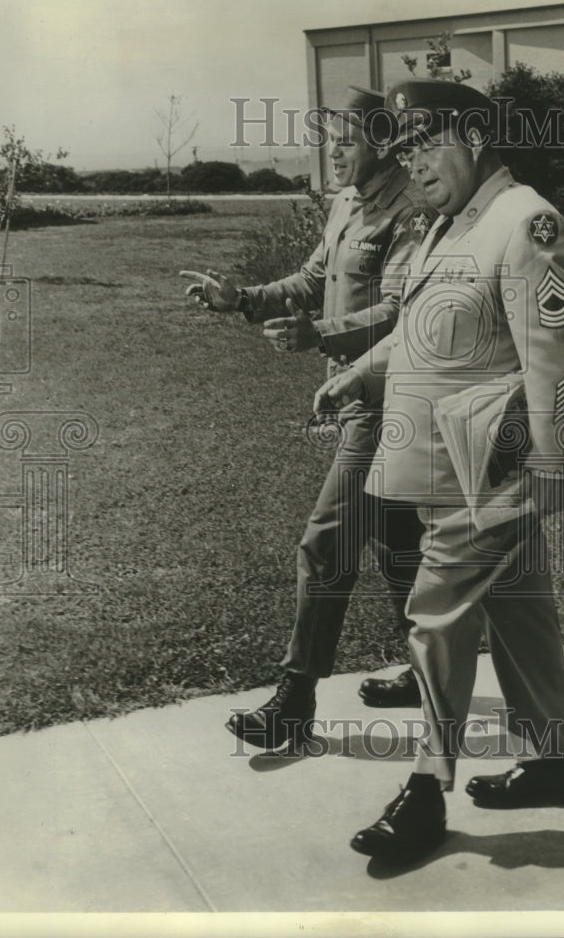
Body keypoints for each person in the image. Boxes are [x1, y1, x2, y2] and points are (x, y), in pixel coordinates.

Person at [314, 78, 564, 863]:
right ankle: (553, 763)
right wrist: (359, 373)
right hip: (445, 464)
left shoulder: (526, 222)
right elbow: (417, 331)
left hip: (493, 469)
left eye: (424, 142)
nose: (410, 161)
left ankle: (425, 789)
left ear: (473, 137)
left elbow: (558, 361)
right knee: (518, 609)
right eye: (399, 147)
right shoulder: (448, 224)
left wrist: (547, 472)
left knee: (434, 611)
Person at [180, 86, 438, 750]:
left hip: (389, 406)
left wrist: (320, 335)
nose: (333, 151)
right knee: (398, 542)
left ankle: (294, 701)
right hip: (361, 400)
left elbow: (397, 315)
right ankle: (425, 671)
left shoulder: (407, 210)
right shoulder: (348, 204)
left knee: (326, 544)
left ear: (380, 144)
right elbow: (311, 276)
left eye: (346, 139)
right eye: (328, 139)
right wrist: (241, 298)